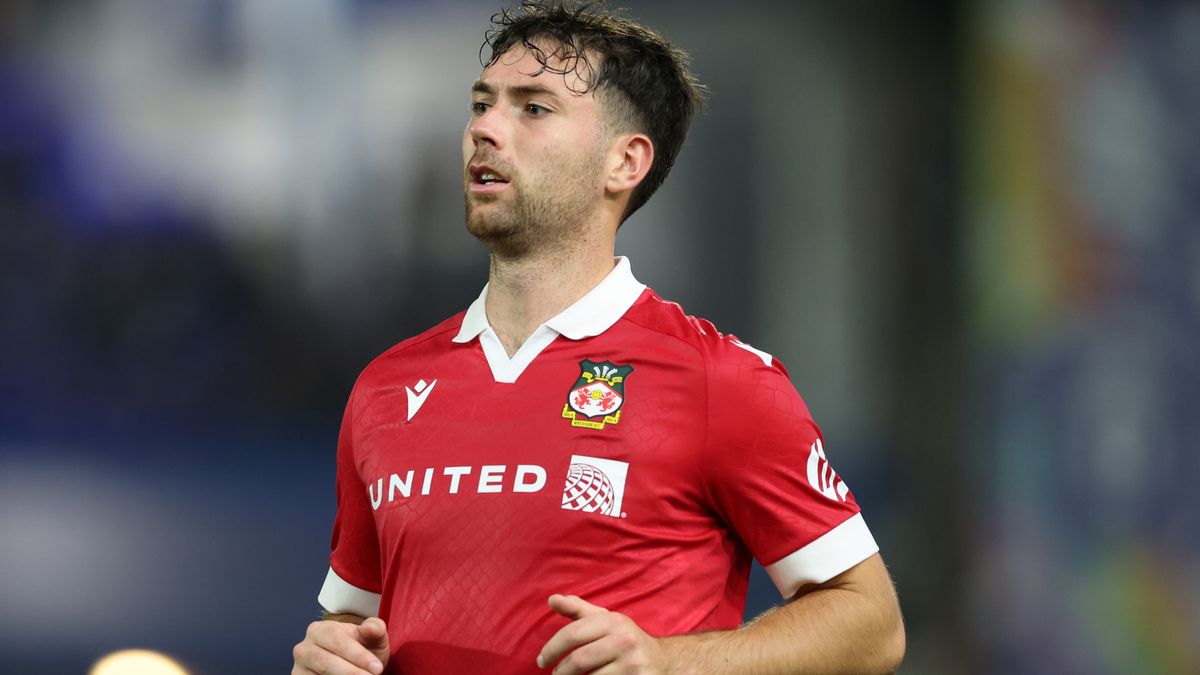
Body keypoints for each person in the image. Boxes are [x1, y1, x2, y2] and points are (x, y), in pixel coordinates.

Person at [292, 2, 905, 673]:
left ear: (625, 162)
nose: (484, 129)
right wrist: (328, 655)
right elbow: (354, 621)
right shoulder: (385, 387)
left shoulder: (717, 378)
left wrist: (670, 660)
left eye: (533, 108)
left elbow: (871, 624)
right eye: (481, 103)